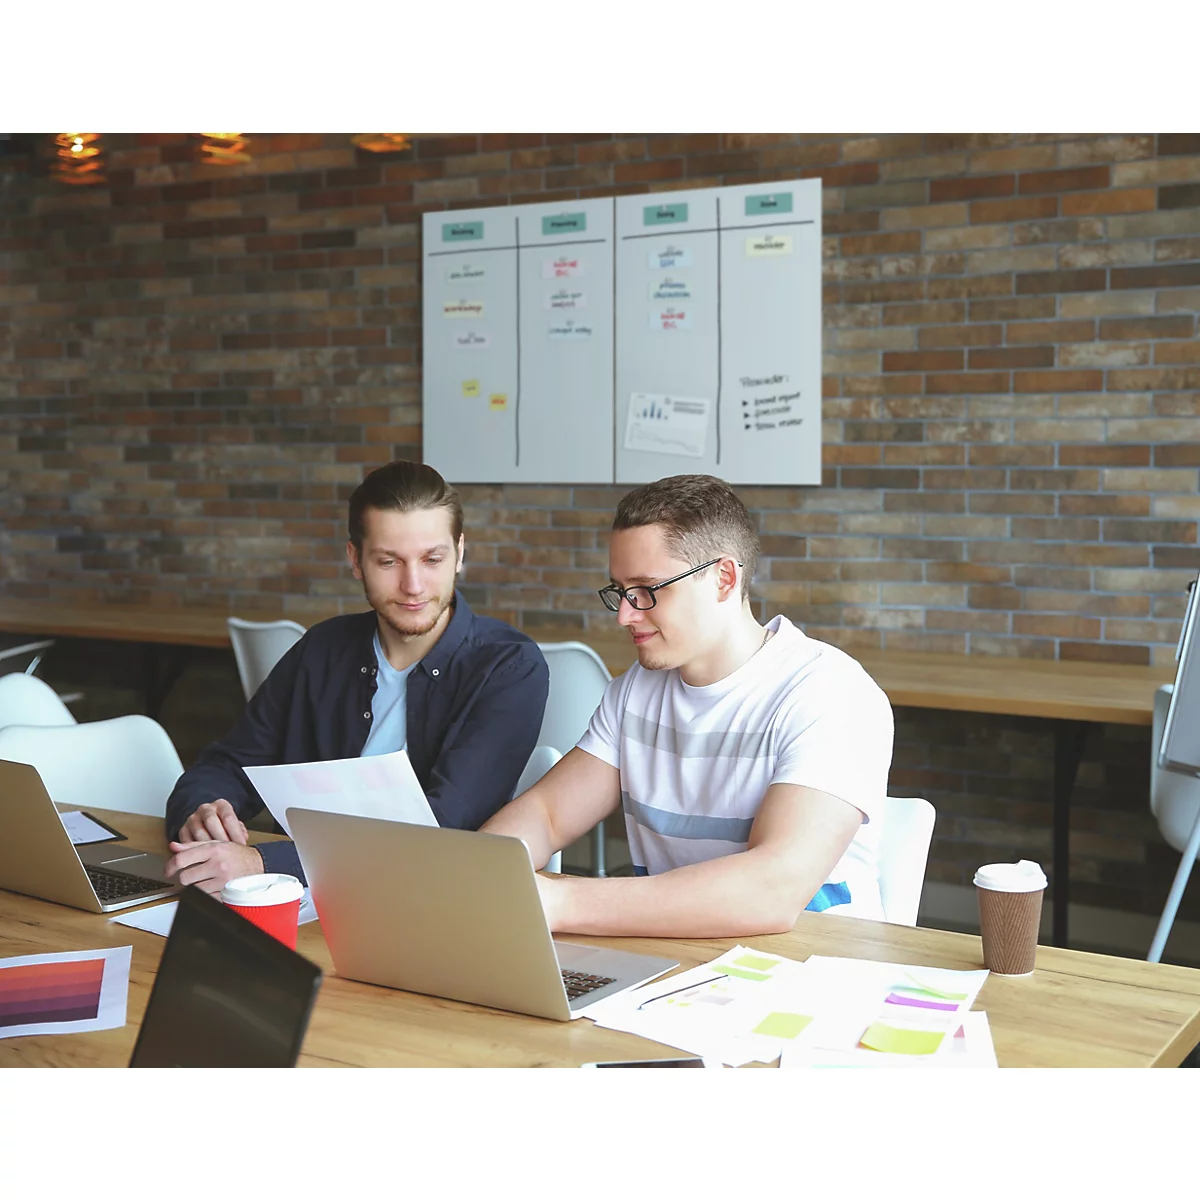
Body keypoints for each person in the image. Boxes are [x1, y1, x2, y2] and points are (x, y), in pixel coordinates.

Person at [483, 473, 894, 938]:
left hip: (816, 977)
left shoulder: (830, 692)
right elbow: (546, 815)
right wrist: (479, 877)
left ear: (723, 579)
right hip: (678, 967)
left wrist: (560, 902)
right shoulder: (634, 693)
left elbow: (772, 889)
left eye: (646, 590)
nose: (625, 614)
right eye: (620, 591)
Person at [164, 460, 549, 894]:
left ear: (460, 553)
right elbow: (228, 763)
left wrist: (261, 862)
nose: (414, 585)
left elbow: (442, 825)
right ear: (355, 560)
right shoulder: (322, 649)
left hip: (431, 899)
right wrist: (203, 812)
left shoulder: (509, 668)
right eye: (389, 561)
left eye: (432, 559)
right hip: (301, 899)